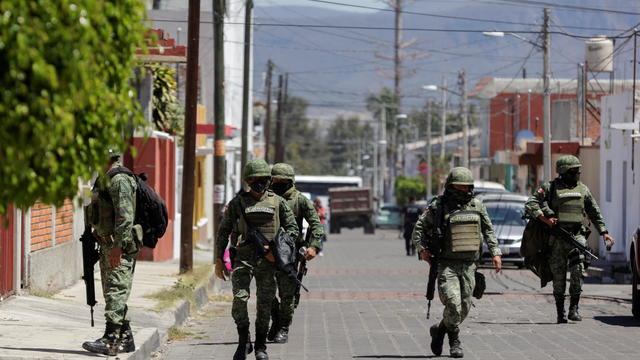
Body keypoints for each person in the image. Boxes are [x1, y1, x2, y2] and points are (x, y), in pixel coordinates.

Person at [412, 167, 502, 358]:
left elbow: (488, 231)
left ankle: (439, 330)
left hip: (469, 265)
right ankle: (454, 341)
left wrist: (496, 252)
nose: (463, 191)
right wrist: (422, 250)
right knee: (453, 304)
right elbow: (418, 229)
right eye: (459, 187)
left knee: (464, 308)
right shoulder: (439, 207)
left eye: (466, 187)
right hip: (447, 264)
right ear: (450, 187)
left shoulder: (477, 206)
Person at [214, 159, 299, 360]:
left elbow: (293, 229)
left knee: (265, 303)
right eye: (254, 178)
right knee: (240, 300)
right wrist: (219, 259)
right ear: (247, 180)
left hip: (268, 261)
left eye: (263, 179)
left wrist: (277, 250)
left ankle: (261, 346)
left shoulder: (278, 202)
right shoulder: (237, 203)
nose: (259, 182)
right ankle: (244, 340)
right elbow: (223, 231)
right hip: (243, 258)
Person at [525, 155, 615, 324]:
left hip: (577, 236)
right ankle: (561, 312)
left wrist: (604, 232)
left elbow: (594, 212)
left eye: (578, 170)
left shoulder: (583, 190)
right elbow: (530, 204)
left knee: (578, 270)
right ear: (563, 171)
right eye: (572, 171)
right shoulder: (550, 187)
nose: (576, 173)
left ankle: (574, 307)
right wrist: (545, 219)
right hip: (556, 238)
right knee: (558, 277)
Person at [82, 149, 142, 356]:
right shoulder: (104, 179)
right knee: (111, 291)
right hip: (107, 244)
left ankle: (111, 340)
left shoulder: (119, 180)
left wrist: (118, 246)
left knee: (116, 290)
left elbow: (125, 216)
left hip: (120, 246)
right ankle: (126, 339)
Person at [268, 163, 324, 343]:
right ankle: (275, 319)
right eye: (274, 180)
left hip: (290, 253)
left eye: (280, 181)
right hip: (267, 252)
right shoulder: (266, 197)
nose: (276, 183)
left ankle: (283, 327)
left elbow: (316, 224)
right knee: (266, 292)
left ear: (290, 181)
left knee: (288, 295)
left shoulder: (300, 200)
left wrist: (314, 246)